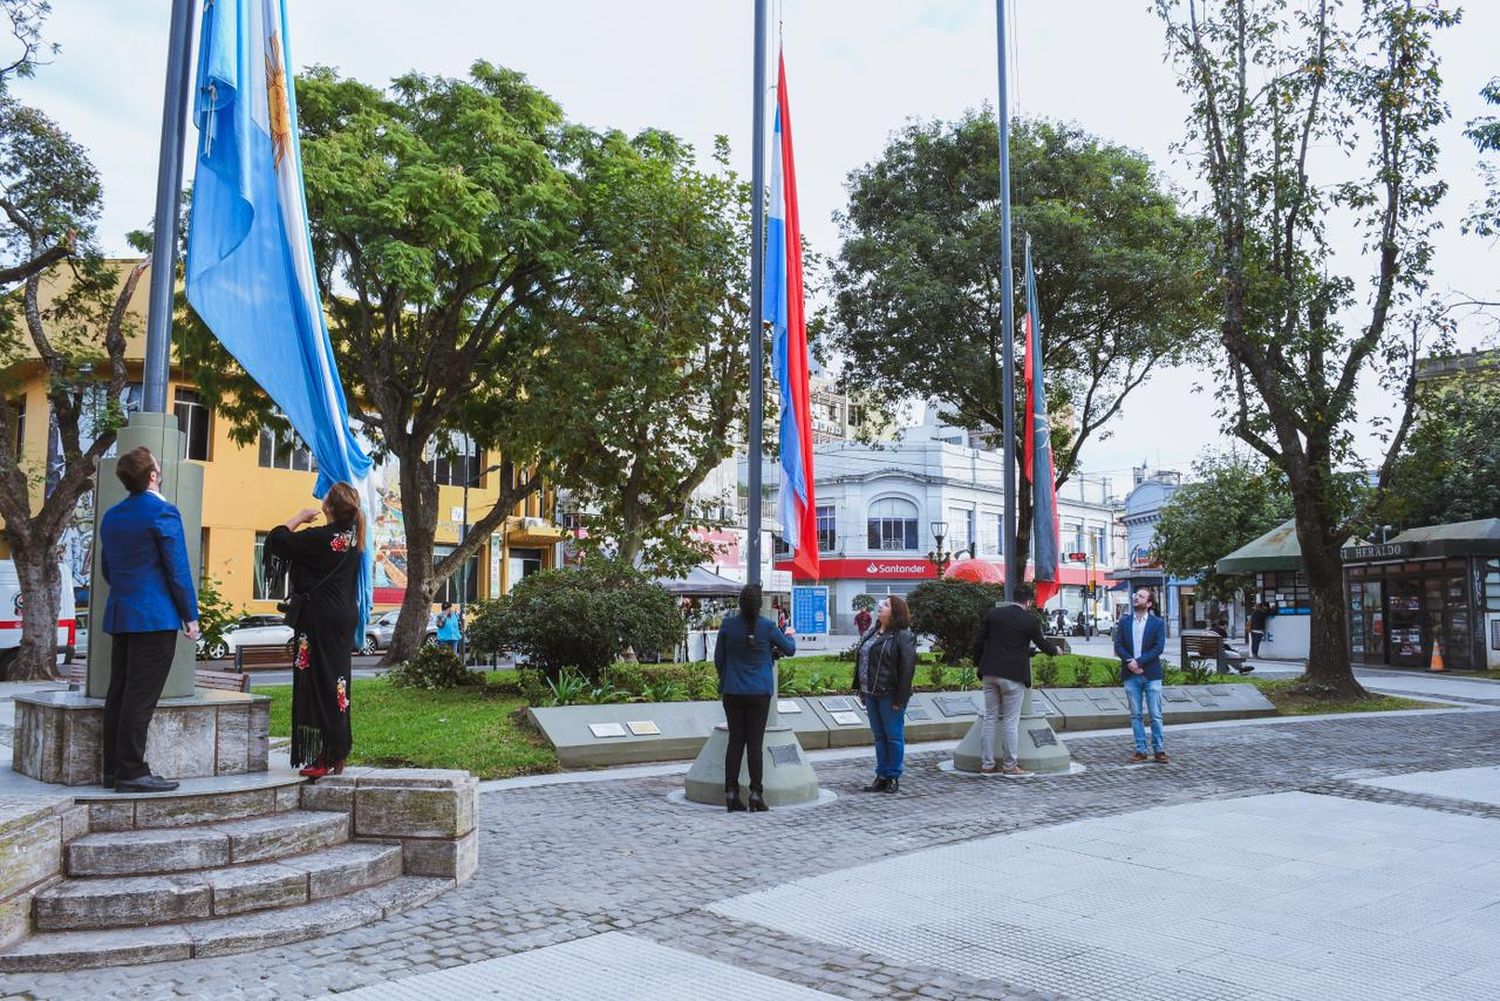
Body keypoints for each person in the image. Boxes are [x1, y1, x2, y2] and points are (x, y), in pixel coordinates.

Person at [98, 447, 199, 793]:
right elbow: (178, 570)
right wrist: (190, 615)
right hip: (155, 618)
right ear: (153, 475)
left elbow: (107, 569)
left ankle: (113, 769)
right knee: (140, 698)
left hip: (122, 613)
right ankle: (131, 771)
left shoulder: (111, 516)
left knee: (120, 693)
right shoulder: (163, 512)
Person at [266, 483, 365, 779]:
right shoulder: (353, 539)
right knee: (337, 683)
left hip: (320, 618)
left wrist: (298, 517)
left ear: (328, 508)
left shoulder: (320, 539)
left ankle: (327, 753)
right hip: (343, 617)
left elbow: (278, 540)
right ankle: (337, 751)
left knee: (321, 682)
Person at [714, 584, 795, 812]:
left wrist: (728, 677)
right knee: (755, 744)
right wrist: (788, 633)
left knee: (735, 741)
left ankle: (731, 792)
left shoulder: (728, 625)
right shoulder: (768, 627)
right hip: (759, 691)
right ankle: (756, 793)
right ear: (760, 605)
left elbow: (718, 659)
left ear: (740, 602)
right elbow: (789, 650)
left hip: (732, 690)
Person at [971, 582, 1061, 776]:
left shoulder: (993, 615)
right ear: (1028, 602)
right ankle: (1010, 765)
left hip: (989, 672)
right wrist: (1056, 651)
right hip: (1012, 676)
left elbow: (980, 641)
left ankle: (987, 765)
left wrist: (978, 664)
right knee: (1011, 721)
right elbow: (1043, 643)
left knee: (990, 718)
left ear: (1013, 598)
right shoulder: (1029, 620)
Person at [852, 595, 917, 793]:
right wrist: (860, 687)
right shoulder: (873, 633)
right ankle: (881, 775)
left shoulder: (903, 636)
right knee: (879, 736)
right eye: (882, 604)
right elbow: (863, 661)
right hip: (870, 692)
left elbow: (907, 669)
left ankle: (893, 776)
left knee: (893, 736)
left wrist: (900, 698)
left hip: (889, 694)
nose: (880, 607)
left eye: (886, 605)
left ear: (895, 612)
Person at [1115, 587, 1168, 763]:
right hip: (1131, 675)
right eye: (1136, 595)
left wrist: (1139, 662)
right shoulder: (1124, 622)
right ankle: (1141, 750)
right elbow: (1119, 645)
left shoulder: (1157, 623)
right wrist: (1130, 661)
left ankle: (1159, 750)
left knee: (1155, 714)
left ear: (1149, 603)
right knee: (1136, 715)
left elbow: (1158, 647)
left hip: (1151, 674)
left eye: (1142, 596)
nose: (1137, 598)